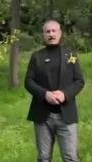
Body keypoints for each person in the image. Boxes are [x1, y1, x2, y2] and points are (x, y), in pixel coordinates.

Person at [24, 19, 85, 162]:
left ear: (60, 33)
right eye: (48, 31)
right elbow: (28, 82)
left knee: (70, 157)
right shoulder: (36, 56)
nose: (51, 34)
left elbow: (79, 81)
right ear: (43, 35)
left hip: (66, 115)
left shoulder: (71, 55)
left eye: (54, 31)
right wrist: (44, 94)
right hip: (42, 115)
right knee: (44, 157)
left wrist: (65, 94)